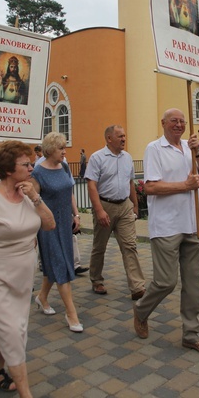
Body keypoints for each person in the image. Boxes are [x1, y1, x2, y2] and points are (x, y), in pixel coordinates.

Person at [133, 108, 199, 355]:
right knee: (166, 282)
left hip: (193, 224)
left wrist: (197, 153)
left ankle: (192, 334)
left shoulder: (190, 148)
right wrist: (185, 185)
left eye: (182, 121)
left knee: (193, 284)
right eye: (174, 121)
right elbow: (150, 187)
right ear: (164, 123)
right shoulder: (154, 149)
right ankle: (141, 310)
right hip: (167, 225)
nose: (179, 125)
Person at [0, 141, 55, 397]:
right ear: (9, 169)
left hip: (23, 279)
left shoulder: (29, 194)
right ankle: (25, 393)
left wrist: (35, 197)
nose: (33, 167)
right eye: (26, 164)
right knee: (13, 332)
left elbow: (49, 225)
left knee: (9, 328)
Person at [85, 125, 145, 299]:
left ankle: (137, 287)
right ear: (109, 139)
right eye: (120, 136)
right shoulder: (97, 158)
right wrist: (99, 210)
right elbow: (91, 185)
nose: (124, 139)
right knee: (99, 246)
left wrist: (134, 205)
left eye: (124, 136)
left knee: (130, 245)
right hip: (105, 206)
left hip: (124, 206)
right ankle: (96, 279)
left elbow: (130, 182)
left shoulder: (127, 158)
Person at [31, 132, 83, 333]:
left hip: (64, 224)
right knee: (61, 265)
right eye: (61, 148)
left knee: (58, 264)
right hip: (47, 226)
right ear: (50, 149)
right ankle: (71, 314)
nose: (64, 151)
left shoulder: (64, 166)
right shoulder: (38, 173)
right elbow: (34, 203)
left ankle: (42, 297)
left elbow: (69, 191)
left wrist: (76, 214)